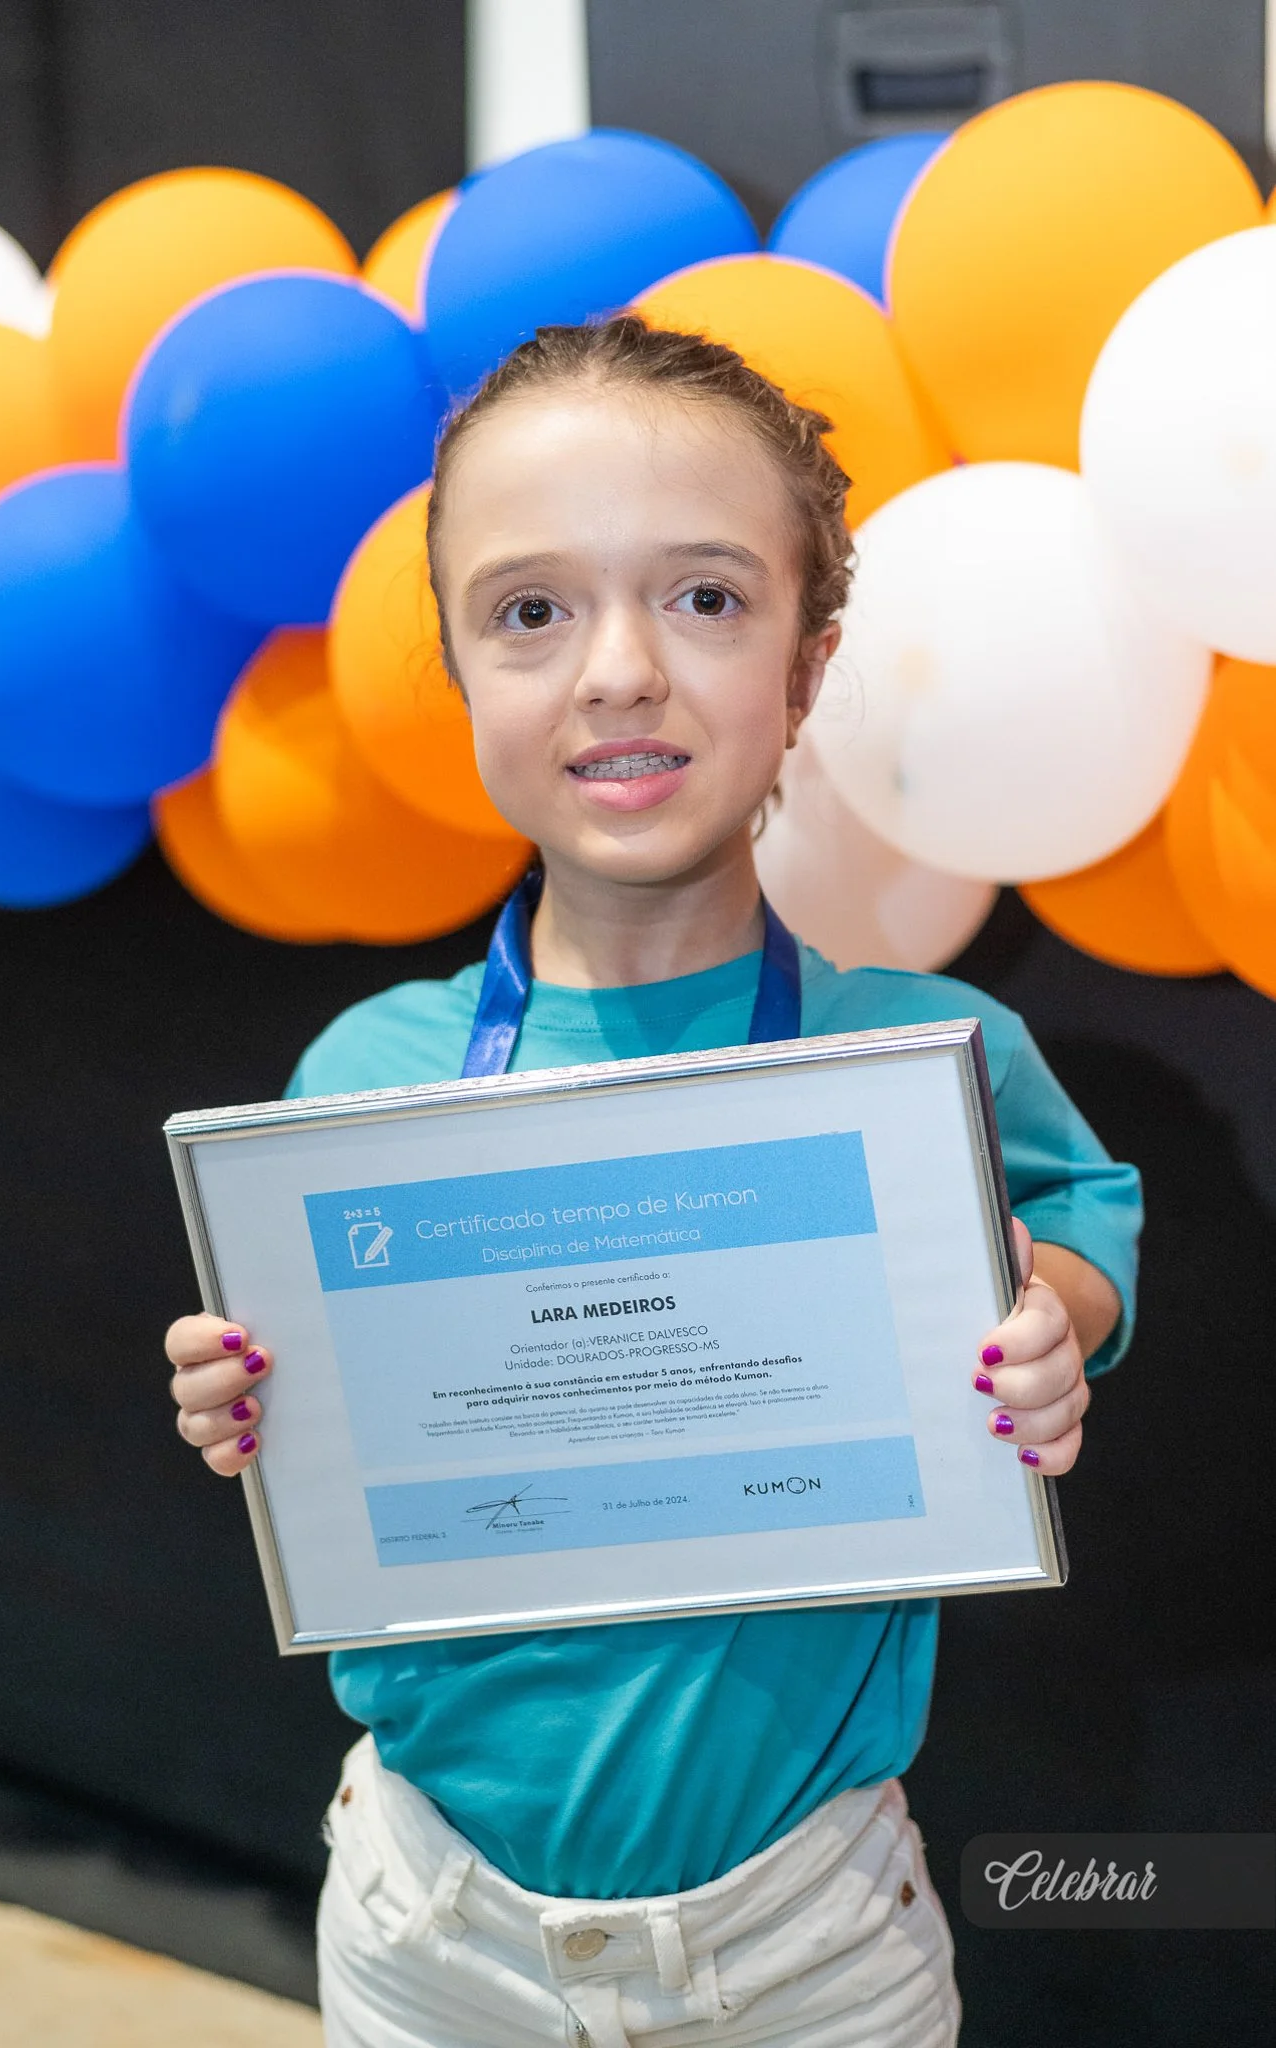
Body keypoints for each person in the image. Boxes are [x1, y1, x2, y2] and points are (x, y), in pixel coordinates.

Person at [165, 316, 1141, 2047]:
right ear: (460, 672)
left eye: (702, 597)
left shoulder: (924, 1058)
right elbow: (320, 1424)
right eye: (531, 611)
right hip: (422, 1929)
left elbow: (1078, 1217)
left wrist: (1049, 1315)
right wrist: (251, 1401)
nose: (617, 671)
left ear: (807, 669)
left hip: (810, 1950)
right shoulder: (361, 1081)